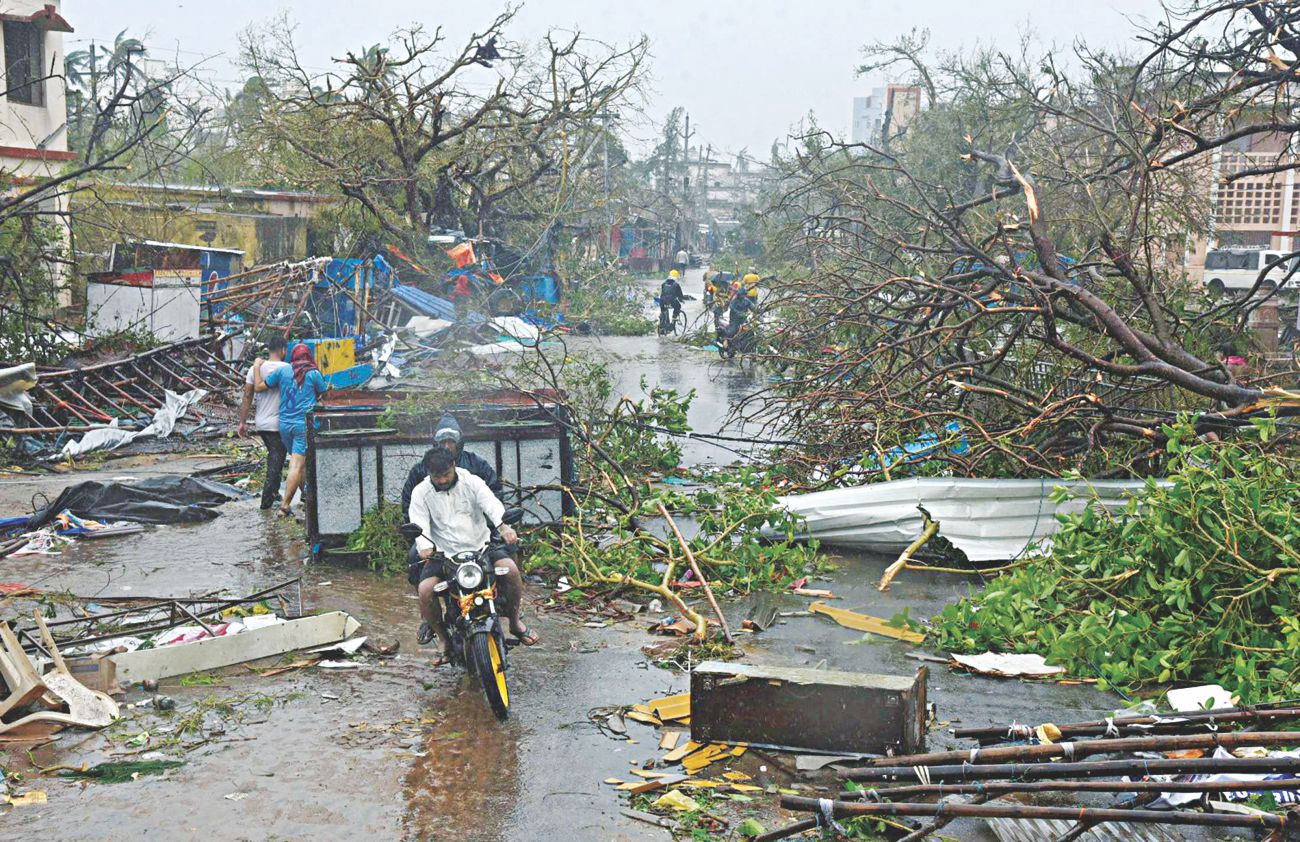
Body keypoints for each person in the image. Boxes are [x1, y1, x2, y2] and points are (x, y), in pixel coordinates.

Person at [409, 447, 538, 665]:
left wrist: (503, 526)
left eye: (446, 475)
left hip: (482, 547)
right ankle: (443, 640)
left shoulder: (472, 482)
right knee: (425, 590)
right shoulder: (421, 492)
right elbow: (418, 523)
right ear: (429, 473)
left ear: (454, 466)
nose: (442, 480)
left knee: (512, 570)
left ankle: (515, 623)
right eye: (436, 476)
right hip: (444, 554)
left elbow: (492, 505)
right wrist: (423, 545)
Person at [254, 343, 329, 517]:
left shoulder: (283, 371)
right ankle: (285, 506)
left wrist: (257, 365)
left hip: (284, 425)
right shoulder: (314, 374)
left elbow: (258, 387)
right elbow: (324, 394)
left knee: (300, 464)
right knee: (296, 465)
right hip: (303, 425)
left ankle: (307, 497)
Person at [238, 336, 289, 510]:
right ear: (283, 350)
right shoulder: (287, 368)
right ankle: (266, 501)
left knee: (276, 457)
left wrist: (242, 422)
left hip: (261, 423)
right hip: (279, 423)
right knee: (276, 458)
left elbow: (247, 396)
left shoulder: (255, 369)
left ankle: (274, 493)